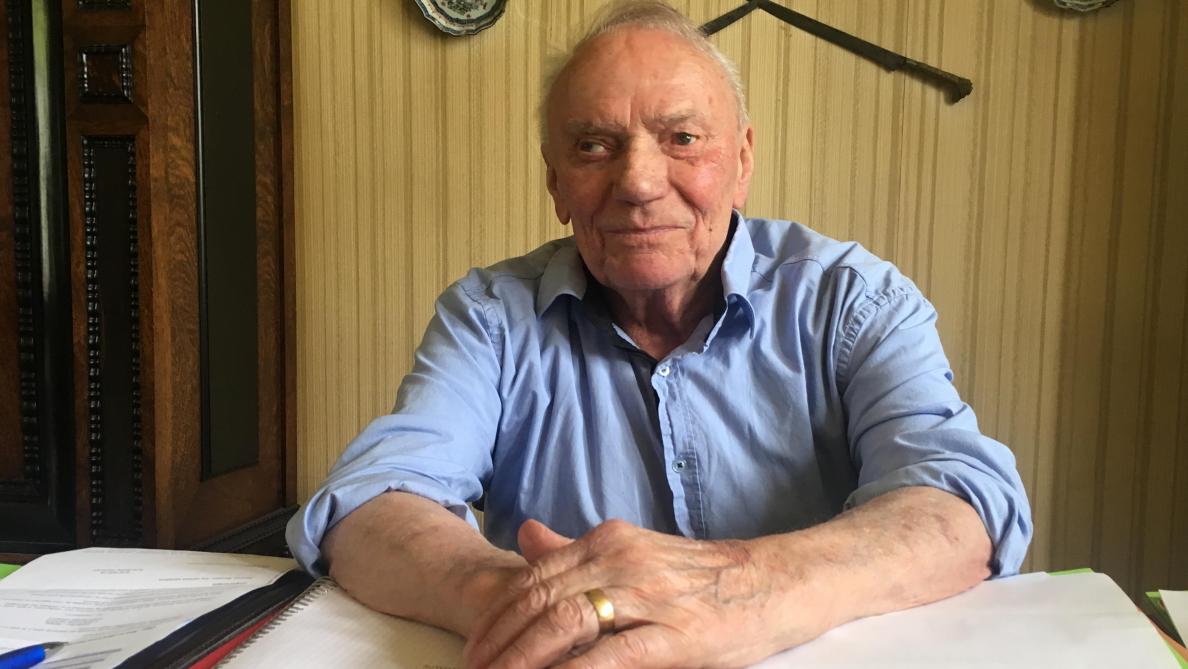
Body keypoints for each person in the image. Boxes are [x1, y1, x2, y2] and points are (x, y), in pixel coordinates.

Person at [287, 2, 1032, 667]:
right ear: (555, 182)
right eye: (593, 146)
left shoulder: (853, 300)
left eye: (681, 138)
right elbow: (369, 504)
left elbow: (962, 503)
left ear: (741, 161)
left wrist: (746, 589)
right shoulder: (489, 317)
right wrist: (546, 605)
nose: (639, 183)